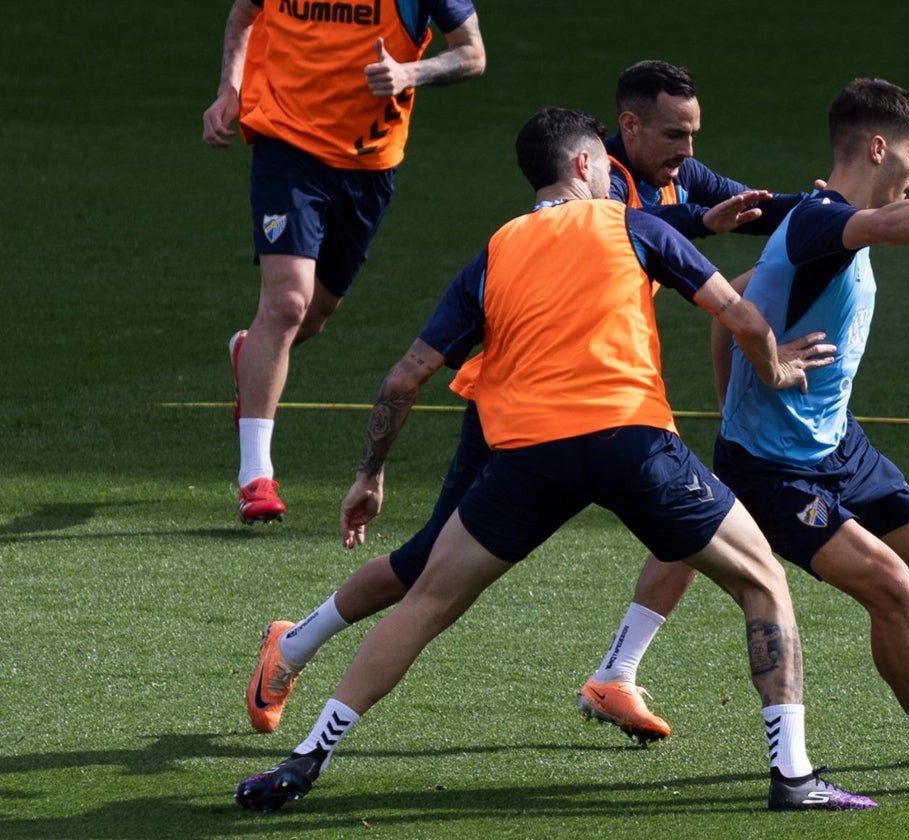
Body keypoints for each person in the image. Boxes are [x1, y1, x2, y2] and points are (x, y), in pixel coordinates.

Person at [233, 107, 875, 813]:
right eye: (603, 164)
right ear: (581, 166)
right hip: (632, 445)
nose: (610, 175)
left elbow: (404, 378)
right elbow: (742, 314)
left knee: (426, 603)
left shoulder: (496, 250)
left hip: (525, 457)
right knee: (763, 585)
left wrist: (370, 473)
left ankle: (306, 758)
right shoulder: (634, 225)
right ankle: (792, 775)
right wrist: (778, 370)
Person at [592, 77, 909, 798]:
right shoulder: (829, 220)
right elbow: (887, 228)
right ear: (878, 147)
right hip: (777, 472)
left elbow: (733, 292)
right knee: (890, 586)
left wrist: (739, 388)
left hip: (839, 447)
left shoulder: (814, 218)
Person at [202, 0, 486, 525]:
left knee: (314, 316)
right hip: (284, 145)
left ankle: (250, 354)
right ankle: (255, 477)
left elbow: (471, 54)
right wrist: (231, 90)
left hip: (368, 162)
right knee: (287, 302)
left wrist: (409, 73)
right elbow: (243, 16)